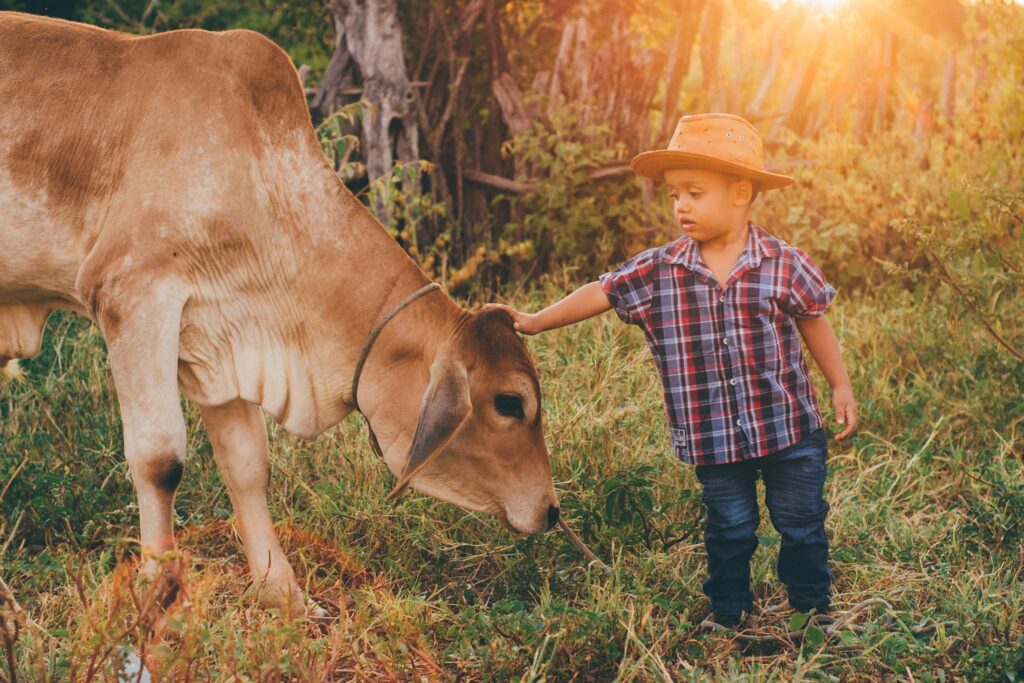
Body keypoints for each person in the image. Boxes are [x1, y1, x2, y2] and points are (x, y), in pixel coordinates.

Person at [485, 113, 858, 629]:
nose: (680, 205)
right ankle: (729, 612)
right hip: (713, 436)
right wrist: (535, 321)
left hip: (788, 426)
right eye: (674, 195)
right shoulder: (659, 269)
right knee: (729, 526)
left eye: (694, 192)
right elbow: (602, 290)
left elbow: (813, 321)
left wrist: (839, 385)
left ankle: (810, 611)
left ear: (741, 193)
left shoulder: (783, 263)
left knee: (801, 522)